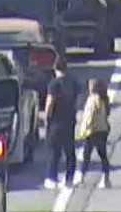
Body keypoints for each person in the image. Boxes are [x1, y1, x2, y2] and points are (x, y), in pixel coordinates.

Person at [43, 60, 79, 189]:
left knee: (54, 150)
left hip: (56, 122)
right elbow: (77, 100)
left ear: (55, 69)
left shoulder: (54, 84)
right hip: (69, 120)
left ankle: (51, 178)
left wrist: (47, 117)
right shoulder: (73, 82)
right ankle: (69, 178)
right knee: (70, 151)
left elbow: (50, 103)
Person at [75, 77, 113, 188]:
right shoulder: (104, 99)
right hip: (103, 130)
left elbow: (89, 116)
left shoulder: (93, 99)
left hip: (92, 131)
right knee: (103, 155)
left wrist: (84, 130)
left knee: (86, 155)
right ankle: (106, 179)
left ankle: (81, 178)